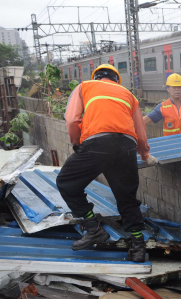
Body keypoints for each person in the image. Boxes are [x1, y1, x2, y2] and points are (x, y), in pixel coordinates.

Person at [56, 64, 157, 262]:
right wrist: (145, 155)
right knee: (126, 197)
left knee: (66, 183)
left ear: (96, 77)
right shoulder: (128, 95)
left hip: (97, 143)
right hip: (126, 146)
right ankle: (138, 247)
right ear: (116, 80)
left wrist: (77, 143)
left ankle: (93, 229)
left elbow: (71, 120)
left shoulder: (85, 86)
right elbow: (140, 132)